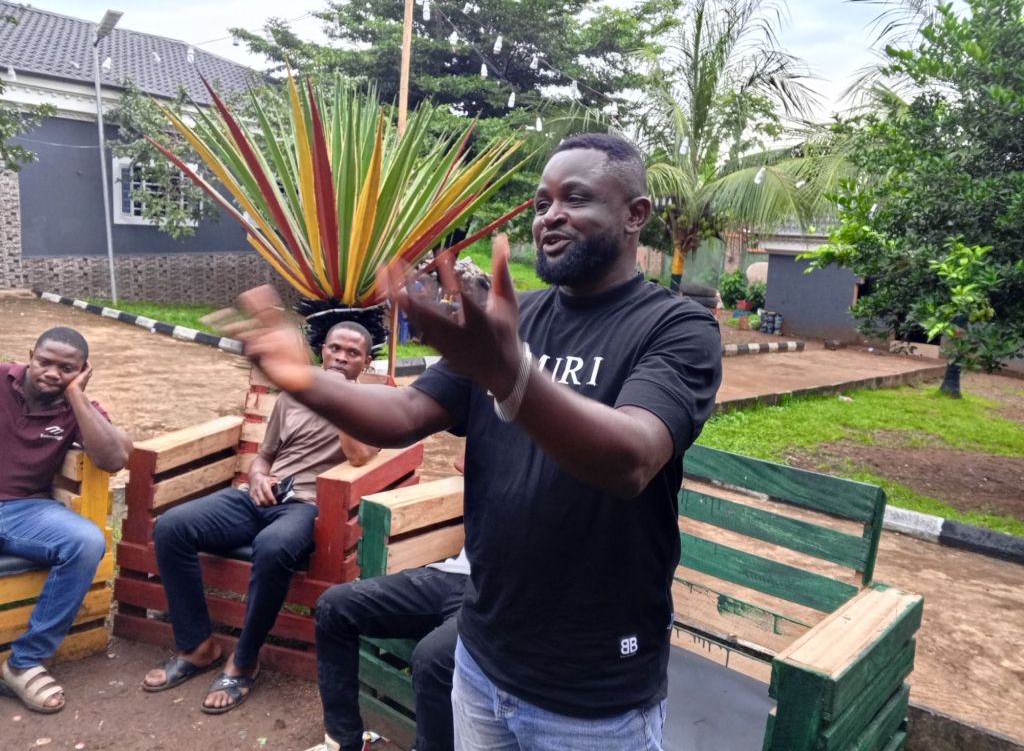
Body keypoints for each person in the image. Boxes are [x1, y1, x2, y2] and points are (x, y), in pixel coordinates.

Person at [234, 133, 723, 748]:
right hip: (483, 661)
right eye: (542, 202)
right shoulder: (517, 323)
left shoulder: (676, 327)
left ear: (635, 214)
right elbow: (405, 413)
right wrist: (304, 379)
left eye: (575, 198)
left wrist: (510, 376)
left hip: (592, 689)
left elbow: (632, 459)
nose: (550, 216)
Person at [141, 321, 380, 714]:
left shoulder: (371, 404)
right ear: (323, 350)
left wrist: (337, 399)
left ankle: (244, 659)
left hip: (309, 507)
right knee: (172, 527)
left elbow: (359, 457)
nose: (341, 357)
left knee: (273, 547)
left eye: (352, 353)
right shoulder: (292, 396)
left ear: (365, 362)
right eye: (335, 348)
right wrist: (256, 477)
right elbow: (266, 455)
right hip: (260, 497)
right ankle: (198, 645)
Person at [0, 327, 133, 714]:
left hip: (25, 510)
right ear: (30, 355)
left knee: (86, 541)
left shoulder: (78, 408)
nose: (52, 373)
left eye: (66, 369)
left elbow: (114, 458)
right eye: (44, 362)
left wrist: (75, 396)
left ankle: (24, 662)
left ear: (83, 371)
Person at [307, 547, 469, 751]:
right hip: (456, 572)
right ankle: (344, 743)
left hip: (497, 594)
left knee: (432, 658)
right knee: (332, 606)